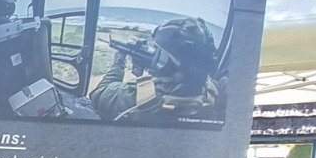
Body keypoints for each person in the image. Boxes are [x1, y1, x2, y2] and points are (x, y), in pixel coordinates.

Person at [86, 16, 221, 123]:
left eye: (159, 51)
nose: (154, 54)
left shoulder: (141, 96)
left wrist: (118, 63)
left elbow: (97, 95)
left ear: (169, 61)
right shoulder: (211, 92)